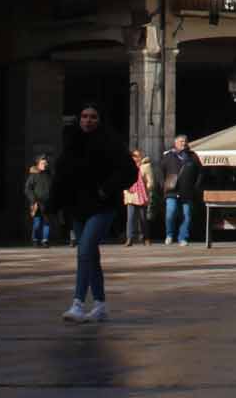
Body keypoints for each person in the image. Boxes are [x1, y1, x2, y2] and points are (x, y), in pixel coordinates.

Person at [49, 103, 132, 323]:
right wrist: (53, 205)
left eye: (93, 117)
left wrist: (106, 188)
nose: (88, 120)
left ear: (100, 120)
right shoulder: (71, 142)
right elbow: (61, 176)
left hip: (103, 206)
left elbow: (129, 171)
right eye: (84, 116)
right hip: (78, 208)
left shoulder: (111, 142)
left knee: (85, 249)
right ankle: (100, 304)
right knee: (89, 255)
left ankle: (77, 303)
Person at [160, 134, 203, 245]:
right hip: (172, 190)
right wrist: (166, 184)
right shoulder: (168, 156)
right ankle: (169, 235)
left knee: (186, 215)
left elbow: (200, 172)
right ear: (175, 143)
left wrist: (195, 187)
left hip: (187, 191)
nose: (183, 143)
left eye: (185, 141)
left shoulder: (192, 156)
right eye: (181, 141)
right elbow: (162, 171)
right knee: (170, 212)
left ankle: (182, 238)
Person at [24, 155, 54, 248]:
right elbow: (28, 189)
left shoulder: (49, 175)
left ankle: (45, 240)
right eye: (43, 163)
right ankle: (35, 240)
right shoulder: (33, 175)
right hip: (37, 202)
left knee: (47, 222)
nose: (45, 165)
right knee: (37, 222)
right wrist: (33, 200)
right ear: (38, 164)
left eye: (46, 163)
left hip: (47, 202)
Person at [122, 150, 151, 246]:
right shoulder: (127, 166)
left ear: (141, 156)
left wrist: (145, 189)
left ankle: (145, 238)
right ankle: (129, 238)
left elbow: (150, 181)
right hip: (131, 194)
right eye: (134, 156)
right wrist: (126, 188)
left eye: (137, 156)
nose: (135, 158)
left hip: (142, 195)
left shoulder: (145, 167)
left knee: (143, 218)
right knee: (130, 218)